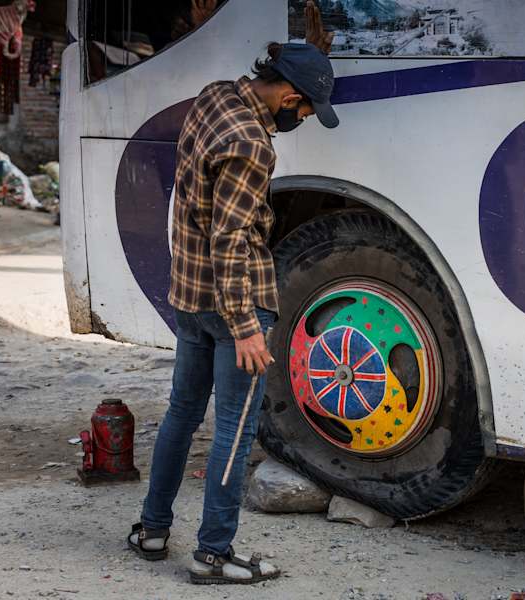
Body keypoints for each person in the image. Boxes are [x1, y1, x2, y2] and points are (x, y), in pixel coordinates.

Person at [126, 2, 336, 585]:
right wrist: (245, 326)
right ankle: (213, 554)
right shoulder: (252, 146)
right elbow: (231, 239)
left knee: (181, 413)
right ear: (289, 96)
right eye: (306, 109)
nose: (302, 119)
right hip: (233, 304)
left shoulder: (216, 95)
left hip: (189, 297)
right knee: (233, 432)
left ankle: (151, 529)